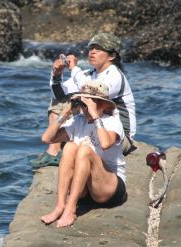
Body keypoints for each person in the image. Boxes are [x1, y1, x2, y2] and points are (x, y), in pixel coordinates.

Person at [30, 32, 136, 169]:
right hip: (93, 128)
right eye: (91, 49)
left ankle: (58, 150)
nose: (92, 52)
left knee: (80, 100)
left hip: (116, 137)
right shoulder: (88, 74)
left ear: (112, 56)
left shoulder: (116, 76)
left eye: (98, 50)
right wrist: (57, 75)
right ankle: (54, 151)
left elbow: (91, 91)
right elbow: (59, 95)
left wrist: (74, 68)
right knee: (59, 102)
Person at [40, 80, 127, 228]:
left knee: (85, 150)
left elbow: (106, 144)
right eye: (82, 104)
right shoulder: (78, 121)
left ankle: (71, 209)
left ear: (103, 105)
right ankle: (60, 205)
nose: (84, 109)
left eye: (88, 104)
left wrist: (95, 114)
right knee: (69, 147)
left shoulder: (112, 122)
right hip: (84, 191)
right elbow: (46, 138)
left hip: (108, 189)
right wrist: (65, 113)